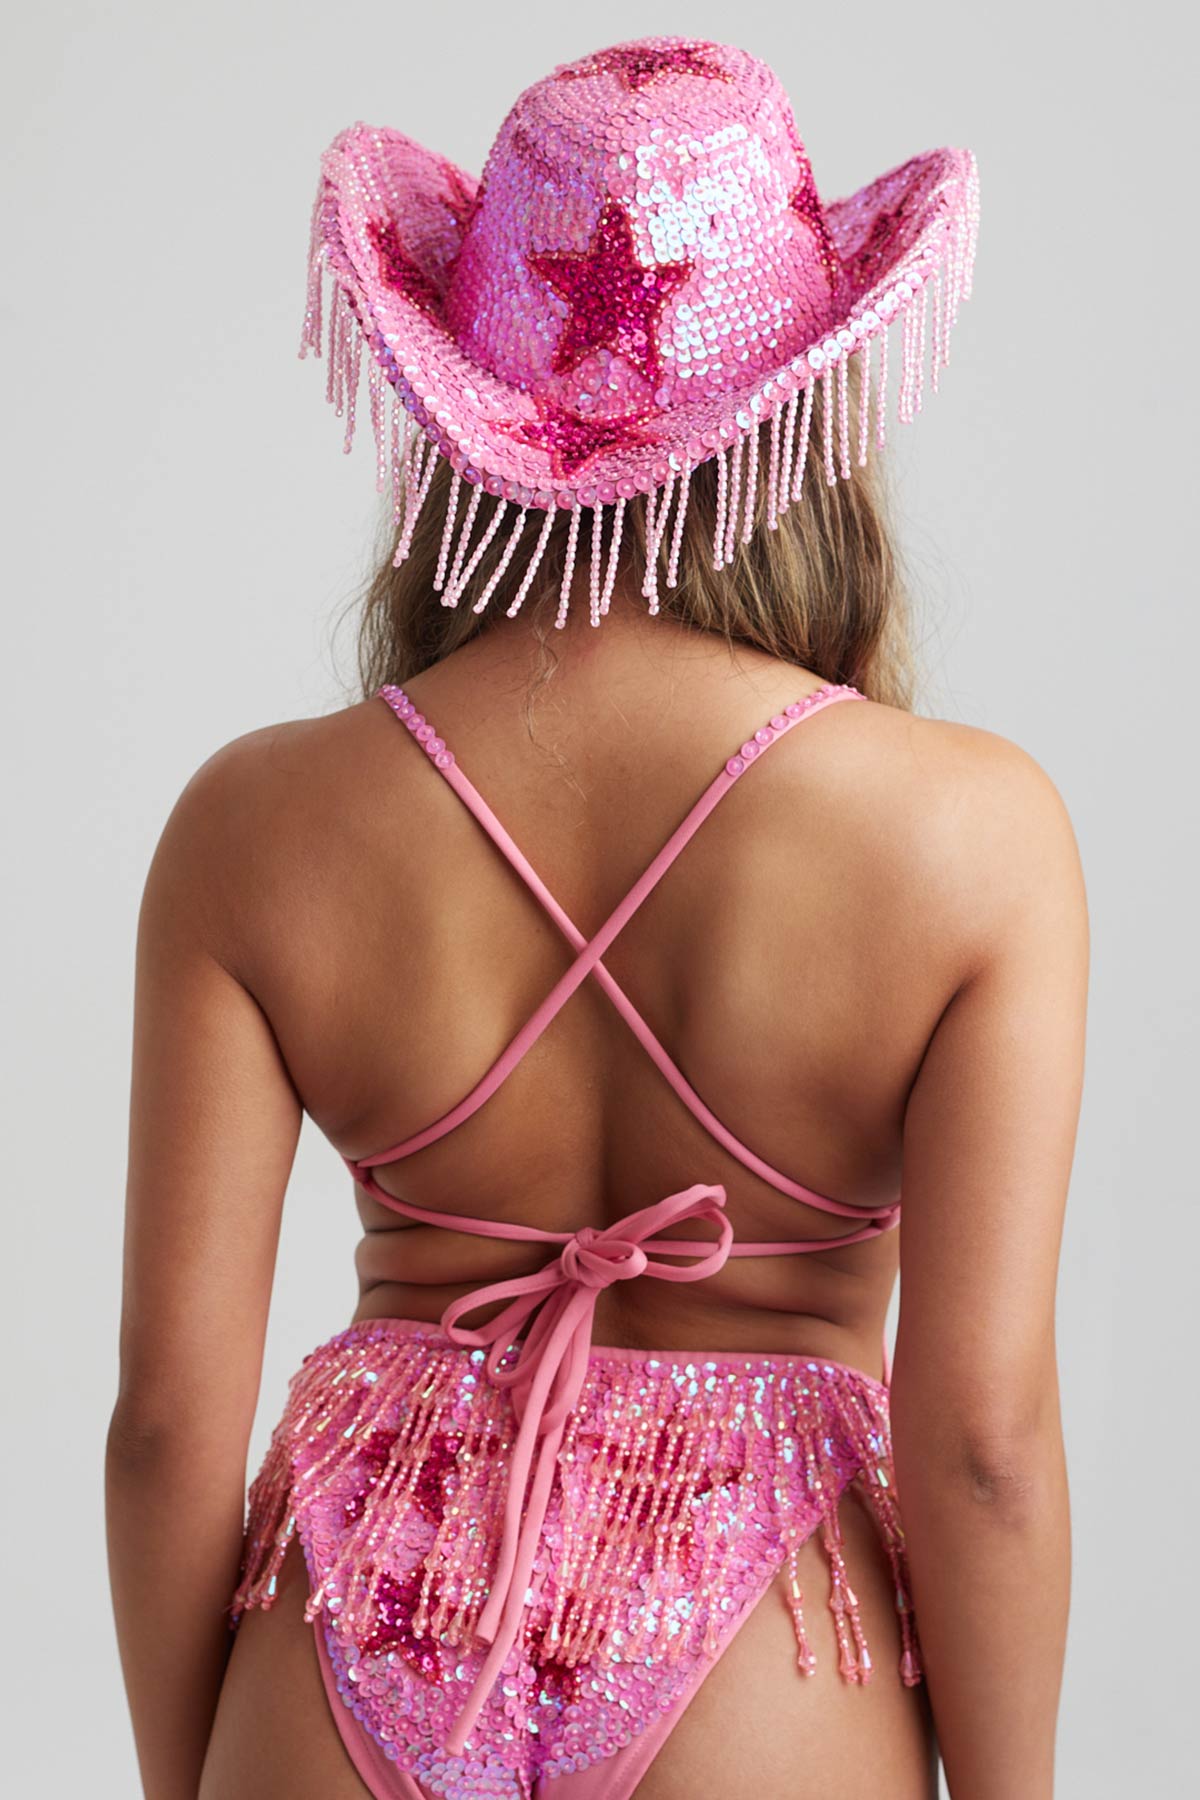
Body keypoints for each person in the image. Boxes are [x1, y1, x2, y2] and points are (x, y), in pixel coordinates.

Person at [106, 35, 1083, 1800]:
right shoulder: (969, 835)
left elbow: (169, 1425)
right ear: (808, 420)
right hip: (767, 1663)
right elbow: (986, 1452)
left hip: (354, 1625)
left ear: (457, 422)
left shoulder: (257, 824)